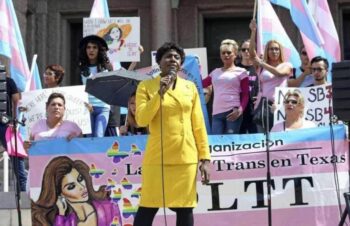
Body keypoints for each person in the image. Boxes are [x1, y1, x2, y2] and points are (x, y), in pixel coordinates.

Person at [133, 42, 211, 226]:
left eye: (177, 57)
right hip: (157, 157)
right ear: (159, 62)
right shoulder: (146, 86)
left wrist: (205, 159)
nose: (173, 60)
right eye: (168, 56)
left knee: (185, 208)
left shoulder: (190, 87)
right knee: (148, 206)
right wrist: (160, 93)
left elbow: (198, 125)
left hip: (186, 157)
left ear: (181, 64)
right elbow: (142, 120)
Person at [31, 156, 122, 225]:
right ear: (60, 194)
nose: (82, 187)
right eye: (71, 186)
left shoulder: (110, 207)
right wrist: (61, 215)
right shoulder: (59, 218)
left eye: (80, 179)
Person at [249, 19, 293, 131]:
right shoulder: (261, 67)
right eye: (271, 49)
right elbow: (252, 54)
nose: (274, 51)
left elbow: (279, 73)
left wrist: (262, 63)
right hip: (263, 107)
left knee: (280, 139)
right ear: (267, 51)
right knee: (263, 140)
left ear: (280, 51)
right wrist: (253, 32)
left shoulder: (286, 64)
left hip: (280, 106)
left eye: (277, 49)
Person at [202, 39, 249, 134]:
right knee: (217, 143)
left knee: (231, 143)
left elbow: (245, 94)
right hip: (216, 113)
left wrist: (240, 110)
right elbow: (201, 84)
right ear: (220, 55)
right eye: (223, 53)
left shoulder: (242, 72)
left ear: (235, 54)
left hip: (232, 112)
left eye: (229, 52)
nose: (226, 55)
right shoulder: (215, 72)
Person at [79, 35, 113, 137]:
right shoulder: (80, 68)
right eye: (88, 47)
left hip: (103, 107)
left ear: (99, 50)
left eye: (94, 47)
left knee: (99, 136)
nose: (91, 50)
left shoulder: (107, 67)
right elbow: (78, 89)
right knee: (89, 139)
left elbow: (112, 87)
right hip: (87, 107)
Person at [0, 64, 26, 191]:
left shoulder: (9, 81)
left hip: (6, 123)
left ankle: (23, 189)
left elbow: (17, 100)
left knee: (16, 156)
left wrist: (15, 120)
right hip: (6, 123)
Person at [236, 39, 259, 134]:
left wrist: (260, 96)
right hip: (239, 109)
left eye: (249, 49)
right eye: (243, 49)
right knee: (238, 139)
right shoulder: (235, 68)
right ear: (240, 52)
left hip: (254, 109)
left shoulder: (259, 68)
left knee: (256, 139)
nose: (246, 52)